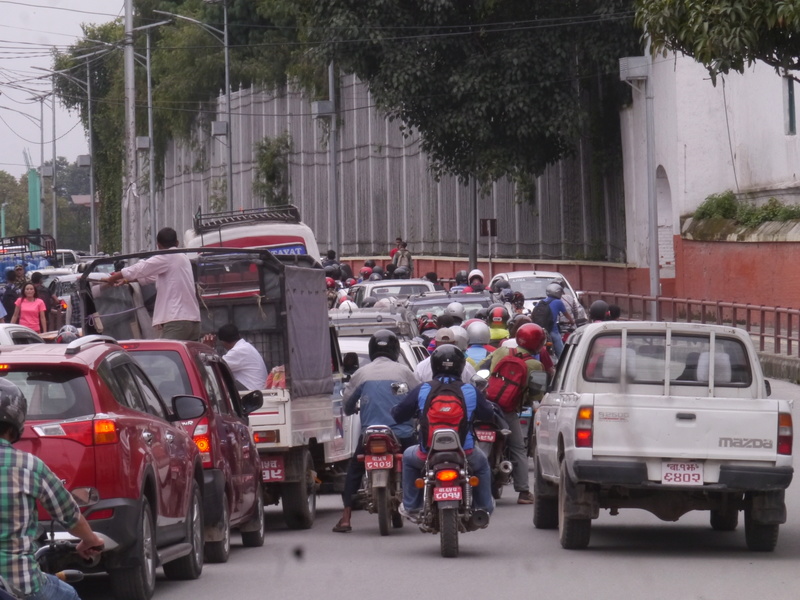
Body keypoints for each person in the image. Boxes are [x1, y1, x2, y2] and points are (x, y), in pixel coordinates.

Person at [0, 378, 104, 600]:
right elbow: (69, 514)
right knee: (68, 595)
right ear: (15, 421)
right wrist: (90, 540)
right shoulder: (28, 466)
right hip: (20, 584)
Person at [392, 345, 495, 522]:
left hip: (427, 453)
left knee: (408, 458)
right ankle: (484, 507)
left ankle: (412, 506)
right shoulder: (470, 390)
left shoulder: (423, 389)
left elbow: (400, 414)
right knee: (483, 465)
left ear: (433, 365)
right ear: (461, 366)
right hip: (465, 453)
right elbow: (488, 415)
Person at [332, 330, 420, 532]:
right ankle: (419, 505)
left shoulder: (361, 373)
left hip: (370, 435)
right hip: (402, 434)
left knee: (354, 469)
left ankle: (346, 517)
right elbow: (418, 397)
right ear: (395, 349)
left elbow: (347, 403)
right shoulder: (404, 372)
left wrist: (351, 408)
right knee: (417, 461)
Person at [486, 323, 547, 504]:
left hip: (486, 406)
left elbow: (481, 370)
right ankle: (523, 492)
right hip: (508, 410)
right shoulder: (536, 365)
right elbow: (538, 394)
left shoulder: (501, 352)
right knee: (518, 449)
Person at [106, 227, 201, 341]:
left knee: (165, 357)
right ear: (177, 243)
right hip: (193, 321)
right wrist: (126, 280)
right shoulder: (183, 258)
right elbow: (153, 276)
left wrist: (115, 277)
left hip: (177, 320)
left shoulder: (166, 256)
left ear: (158, 246)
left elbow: (142, 268)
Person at [208, 324, 269, 391]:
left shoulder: (238, 350)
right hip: (254, 388)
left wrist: (208, 348)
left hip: (252, 389)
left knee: (215, 379)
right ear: (239, 335)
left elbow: (215, 367)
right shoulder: (245, 346)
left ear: (223, 342)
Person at [541, 283, 575, 359]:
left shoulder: (542, 302)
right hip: (553, 330)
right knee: (562, 354)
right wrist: (572, 321)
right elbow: (567, 315)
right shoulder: (558, 302)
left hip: (542, 330)